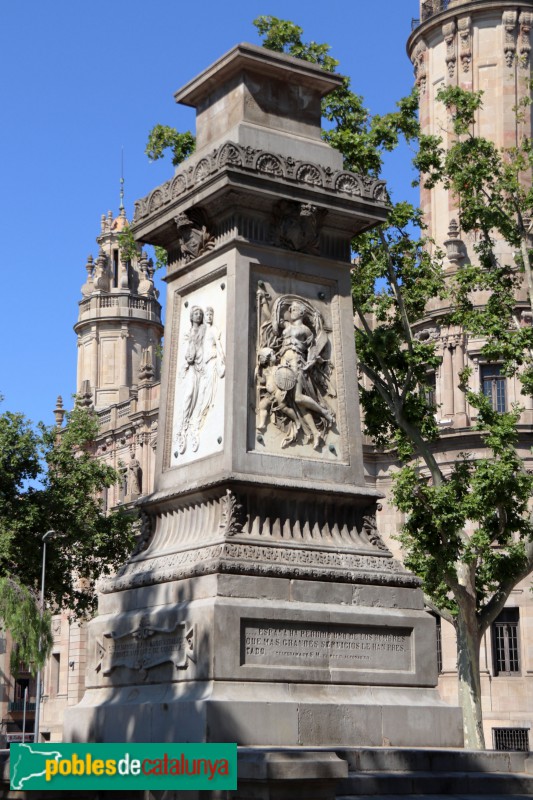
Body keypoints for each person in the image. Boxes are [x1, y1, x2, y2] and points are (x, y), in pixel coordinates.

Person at [174, 306, 205, 454]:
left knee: (198, 394)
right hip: (191, 367)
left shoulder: (203, 329)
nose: (198, 315)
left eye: (200, 314)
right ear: (191, 317)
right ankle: (184, 423)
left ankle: (191, 423)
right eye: (196, 313)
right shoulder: (188, 333)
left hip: (200, 366)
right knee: (189, 394)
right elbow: (186, 351)